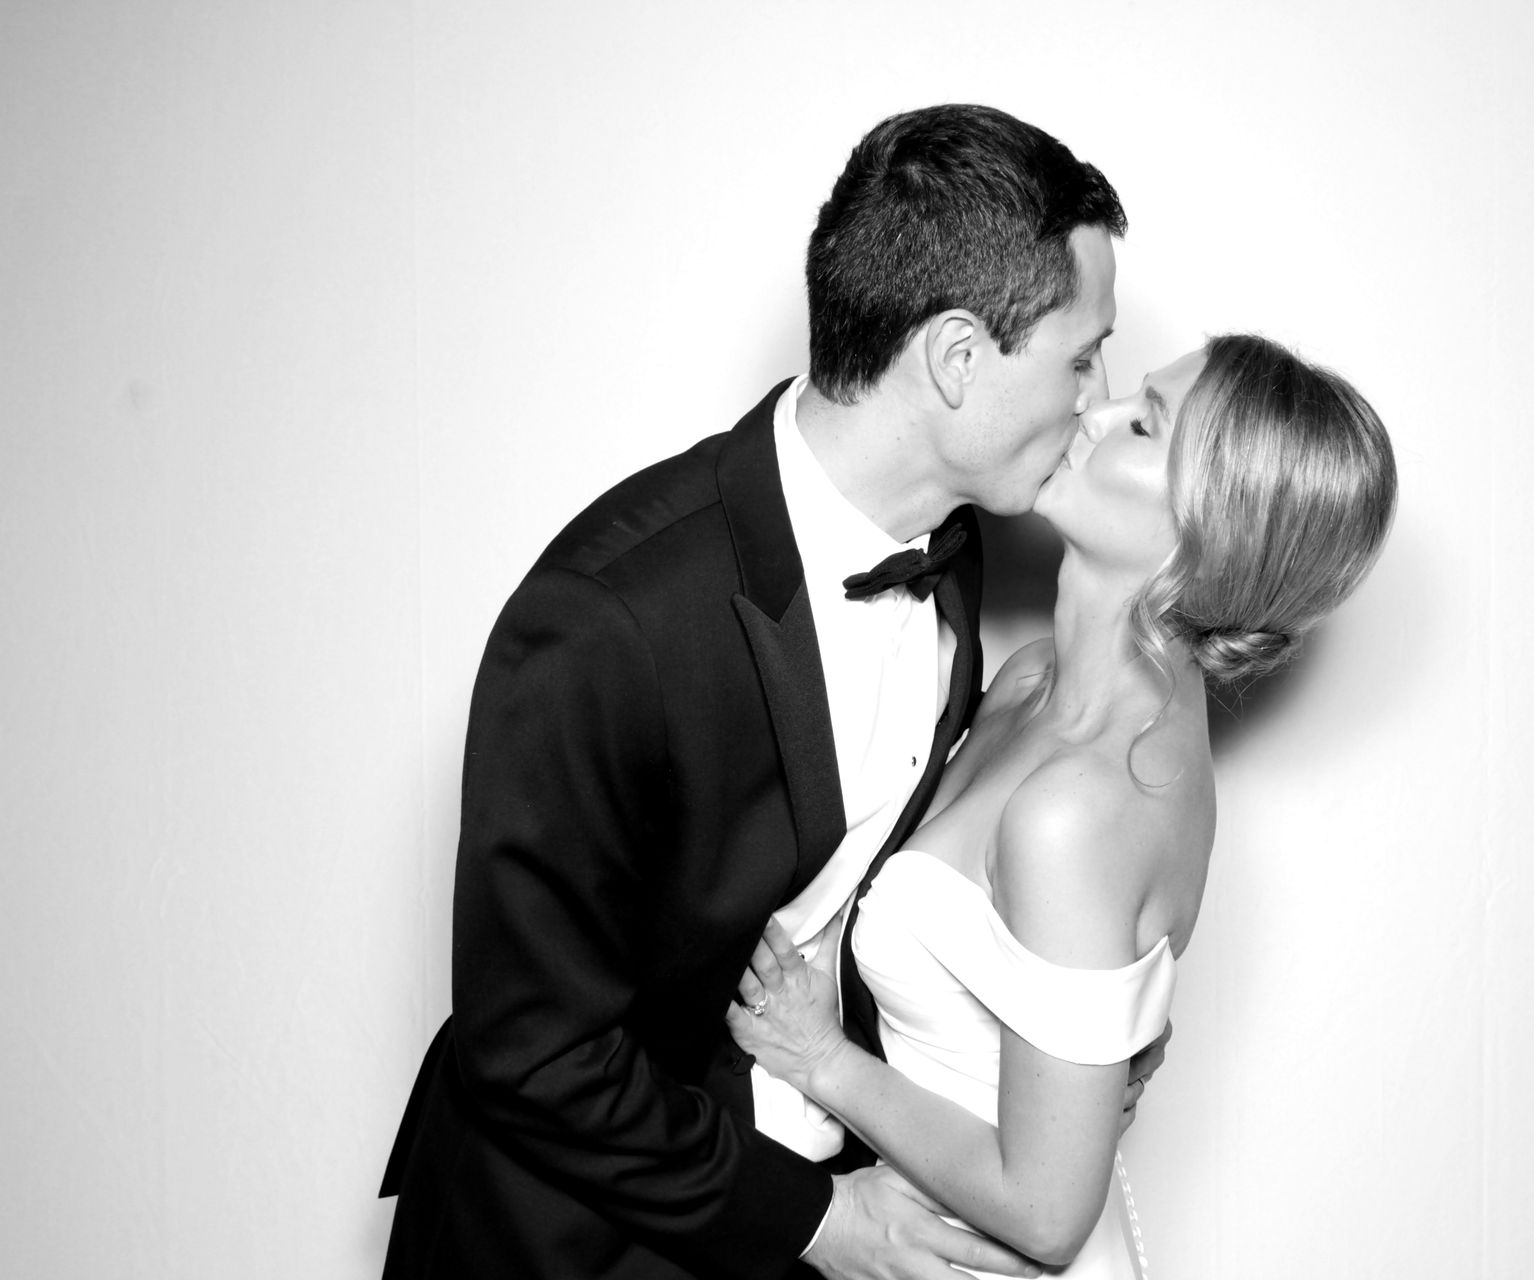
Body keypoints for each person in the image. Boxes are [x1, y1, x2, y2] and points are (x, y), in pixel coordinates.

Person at [378, 103, 1135, 1280]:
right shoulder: (604, 623)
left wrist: (1076, 1051)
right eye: (1082, 356)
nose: (1099, 395)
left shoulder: (952, 547)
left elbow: (845, 893)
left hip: (822, 1189)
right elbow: (534, 1054)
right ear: (957, 358)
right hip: (581, 1240)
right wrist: (820, 1221)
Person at [728, 334, 1399, 1279]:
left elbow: (1046, 1213)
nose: (1092, 410)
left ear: (1210, 534)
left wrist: (821, 1060)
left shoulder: (1081, 811)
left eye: (1144, 425)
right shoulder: (1032, 680)